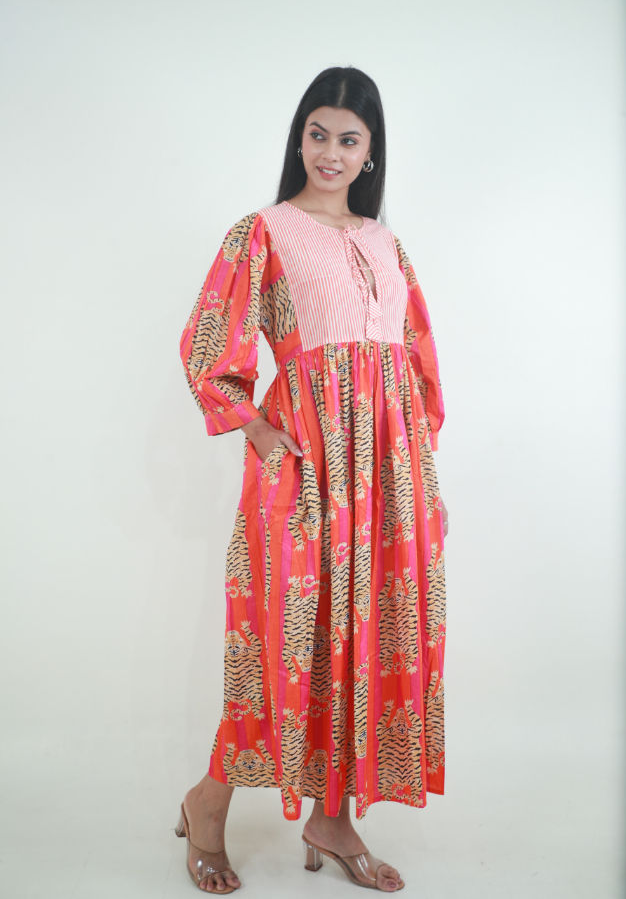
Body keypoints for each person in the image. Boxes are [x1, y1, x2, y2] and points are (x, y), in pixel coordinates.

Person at [176, 65, 449, 894]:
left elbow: (415, 360)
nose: (331, 152)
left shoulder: (385, 242)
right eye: (318, 134)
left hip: (389, 484)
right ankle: (208, 802)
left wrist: (418, 470)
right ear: (300, 139)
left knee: (367, 644)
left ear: (371, 152)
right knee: (282, 643)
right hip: (304, 471)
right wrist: (258, 431)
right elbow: (209, 344)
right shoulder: (262, 233)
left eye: (349, 139)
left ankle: (332, 819)